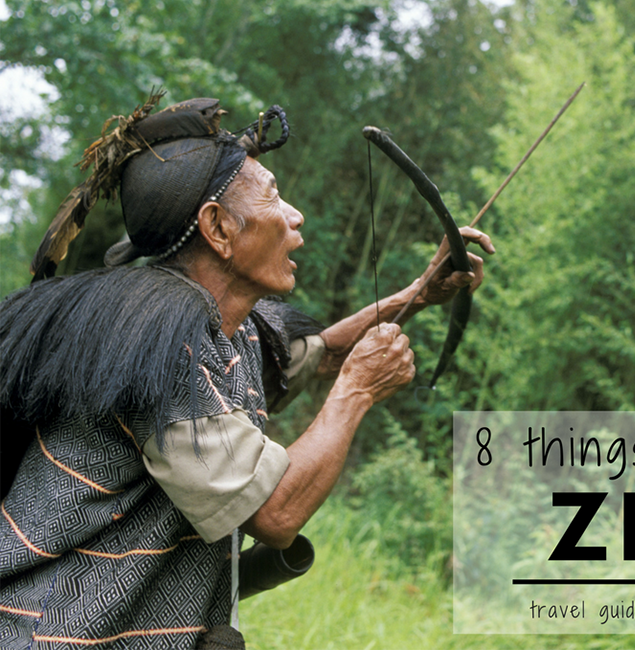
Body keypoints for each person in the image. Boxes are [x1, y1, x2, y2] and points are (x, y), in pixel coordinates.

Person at [0, 95, 493, 649]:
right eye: (274, 196)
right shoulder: (156, 343)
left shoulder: (229, 328)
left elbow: (321, 354)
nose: (295, 215)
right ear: (218, 228)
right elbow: (276, 512)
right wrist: (357, 390)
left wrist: (417, 295)